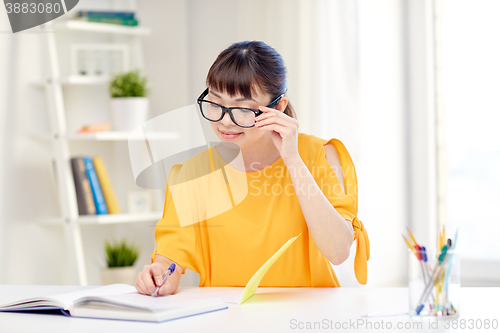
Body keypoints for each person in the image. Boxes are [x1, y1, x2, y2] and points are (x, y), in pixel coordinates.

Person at [135, 41, 369, 296]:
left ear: (278, 107)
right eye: (215, 103)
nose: (225, 120)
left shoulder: (320, 156)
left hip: (307, 315)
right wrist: (158, 276)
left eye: (243, 109)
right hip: (227, 317)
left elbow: (338, 252)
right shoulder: (195, 172)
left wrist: (292, 159)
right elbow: (171, 257)